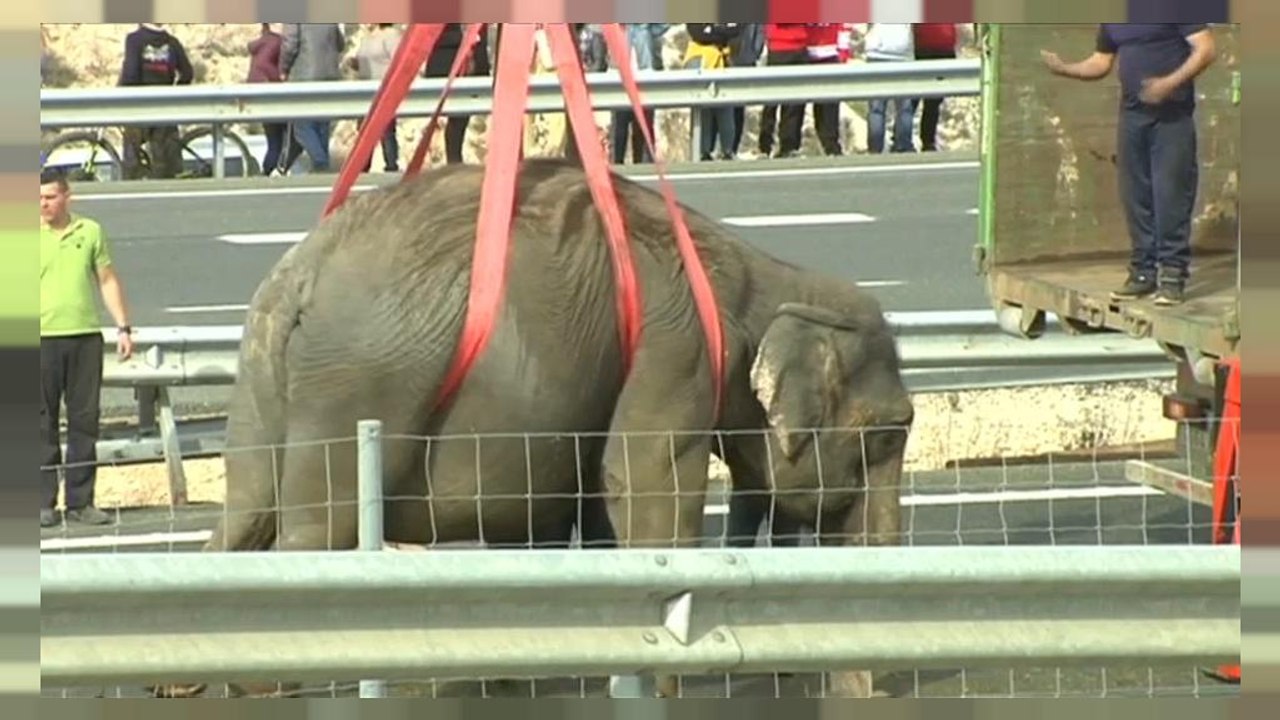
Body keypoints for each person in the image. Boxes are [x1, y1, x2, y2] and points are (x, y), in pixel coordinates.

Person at [1042, 24, 1216, 305]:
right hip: (1133, 115)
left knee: (1170, 193)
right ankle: (1143, 273)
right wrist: (1064, 68)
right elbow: (1101, 62)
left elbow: (1206, 49)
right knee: (1135, 195)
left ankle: (1172, 276)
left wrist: (1169, 83)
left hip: (1172, 117)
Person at [40, 168, 134, 528]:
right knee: (40, 423)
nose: (43, 204)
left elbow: (107, 280)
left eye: (49, 197)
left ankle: (81, 501)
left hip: (84, 338)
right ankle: (42, 501)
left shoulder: (89, 231)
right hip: (39, 338)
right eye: (38, 198)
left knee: (84, 421)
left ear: (67, 197)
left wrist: (123, 326)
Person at [117, 23, 193, 179]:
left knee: (133, 154)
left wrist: (121, 92)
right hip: (166, 105)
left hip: (139, 106)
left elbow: (131, 75)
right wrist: (174, 92)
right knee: (167, 163)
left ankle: (134, 183)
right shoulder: (172, 42)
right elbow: (187, 73)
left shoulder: (134, 40)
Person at [247, 23, 286, 175]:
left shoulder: (262, 43)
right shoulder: (276, 42)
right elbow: (265, 65)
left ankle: (269, 168)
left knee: (273, 136)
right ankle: (271, 168)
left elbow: (260, 64)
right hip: (270, 94)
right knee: (281, 135)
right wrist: (280, 78)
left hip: (258, 94)